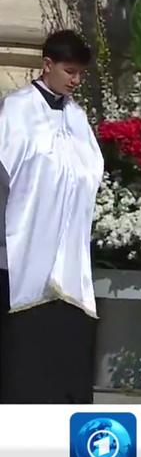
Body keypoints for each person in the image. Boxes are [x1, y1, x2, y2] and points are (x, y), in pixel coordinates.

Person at [0, 30, 103, 403]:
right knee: (25, 351)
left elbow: (87, 166)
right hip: (23, 247)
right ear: (47, 65)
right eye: (69, 71)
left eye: (80, 74)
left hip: (69, 250)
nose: (75, 80)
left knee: (66, 344)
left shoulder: (76, 115)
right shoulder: (17, 108)